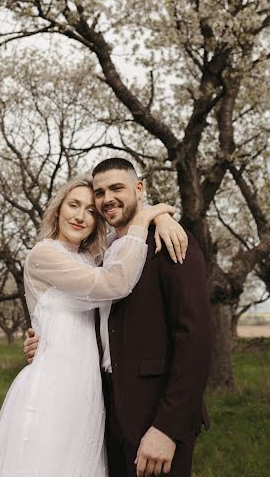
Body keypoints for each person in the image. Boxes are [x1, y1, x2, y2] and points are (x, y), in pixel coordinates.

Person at [0, 174, 180, 477]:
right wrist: (146, 218)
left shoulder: (92, 258)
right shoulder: (43, 254)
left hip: (87, 390)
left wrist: (162, 217)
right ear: (58, 209)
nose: (80, 216)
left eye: (91, 210)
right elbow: (116, 282)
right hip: (51, 388)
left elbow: (125, 239)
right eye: (73, 205)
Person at [25, 158, 212, 477]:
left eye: (116, 188)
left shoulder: (170, 242)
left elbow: (195, 338)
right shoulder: (103, 255)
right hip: (103, 409)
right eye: (100, 192)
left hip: (155, 413)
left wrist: (167, 427)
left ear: (139, 190)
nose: (107, 198)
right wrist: (44, 342)